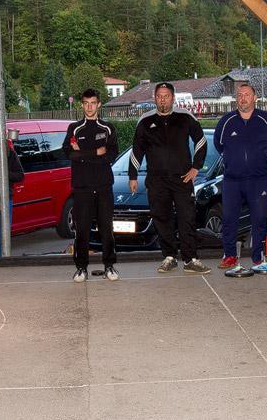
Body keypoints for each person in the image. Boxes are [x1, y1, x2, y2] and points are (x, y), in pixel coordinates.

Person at [129, 82, 211, 274]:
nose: (162, 100)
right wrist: (133, 176)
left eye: (166, 96)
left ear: (173, 98)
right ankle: (169, 257)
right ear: (154, 98)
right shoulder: (145, 120)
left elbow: (201, 141)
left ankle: (190, 260)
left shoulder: (185, 117)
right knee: (161, 218)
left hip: (182, 179)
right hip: (156, 180)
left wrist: (196, 167)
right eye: (159, 96)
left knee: (187, 218)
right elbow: (136, 151)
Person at [213, 84, 267, 274]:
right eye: (240, 95)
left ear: (255, 98)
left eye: (247, 94)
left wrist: (261, 156)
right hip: (232, 180)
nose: (243, 98)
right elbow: (219, 144)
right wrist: (232, 159)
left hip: (259, 179)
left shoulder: (266, 120)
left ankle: (258, 257)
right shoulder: (226, 121)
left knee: (259, 218)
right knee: (229, 219)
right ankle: (229, 256)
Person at [63, 89, 120, 282]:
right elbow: (70, 154)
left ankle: (109, 266)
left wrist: (82, 154)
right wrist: (96, 153)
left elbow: (111, 156)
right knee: (82, 230)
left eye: (93, 103)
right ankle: (81, 268)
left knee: (106, 229)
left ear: (99, 104)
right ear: (82, 105)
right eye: (86, 103)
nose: (89, 107)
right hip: (82, 188)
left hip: (104, 187)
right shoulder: (74, 128)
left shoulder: (108, 128)